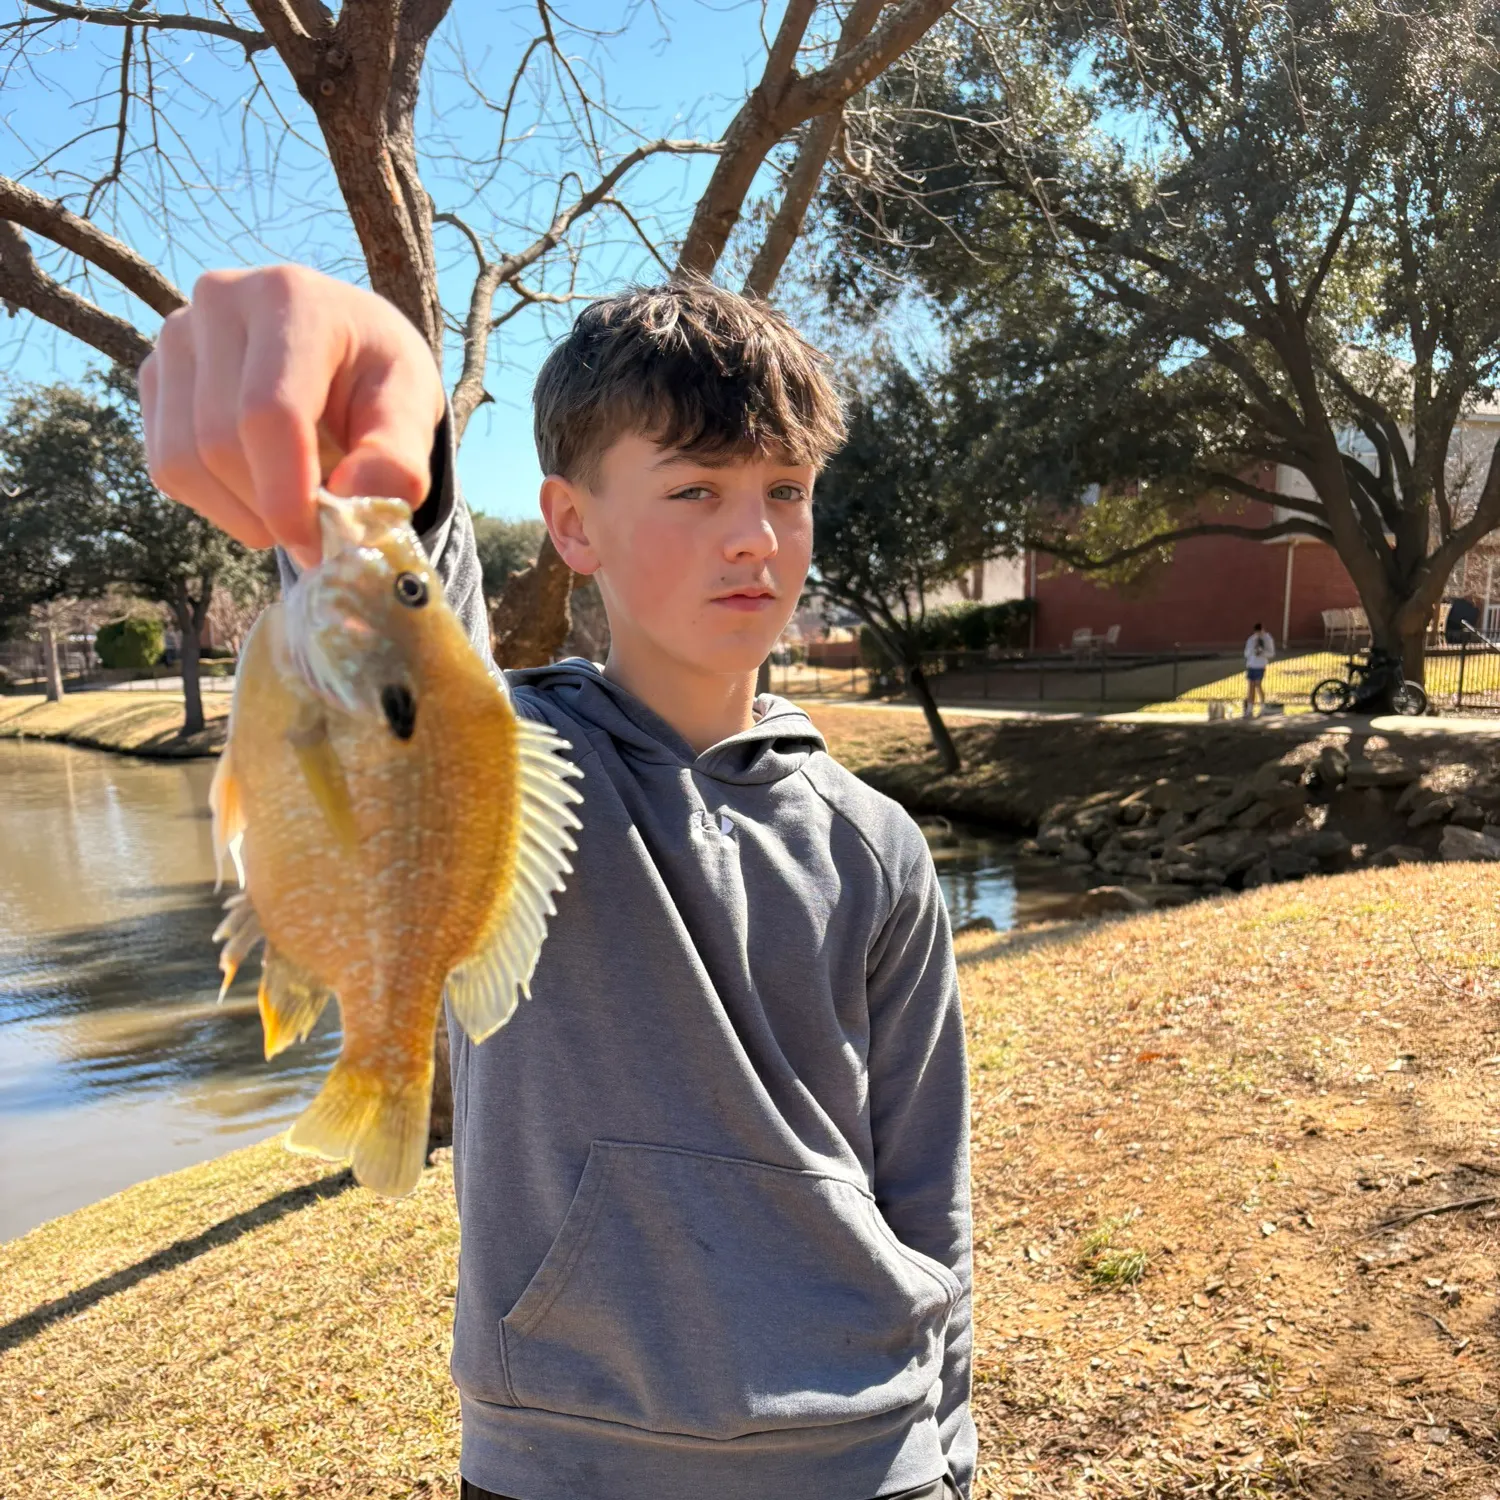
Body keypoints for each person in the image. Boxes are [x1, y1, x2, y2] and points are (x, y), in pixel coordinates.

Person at [140, 265, 975, 1500]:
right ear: (571, 526)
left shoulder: (880, 844)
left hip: (868, 1454)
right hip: (562, 1460)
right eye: (695, 490)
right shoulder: (503, 754)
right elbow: (400, 653)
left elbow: (927, 1191)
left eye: (785, 491)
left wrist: (948, 1451)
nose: (754, 534)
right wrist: (392, 421)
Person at [1243, 622, 1275, 718]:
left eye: (1260, 632)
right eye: (1256, 632)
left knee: (1258, 685)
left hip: (1260, 665)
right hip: (1251, 664)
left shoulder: (1267, 639)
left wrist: (1262, 652)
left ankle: (1262, 708)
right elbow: (1246, 653)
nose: (1258, 634)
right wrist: (1253, 651)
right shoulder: (1251, 639)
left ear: (1262, 630)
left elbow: (1271, 653)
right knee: (1251, 687)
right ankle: (1249, 709)